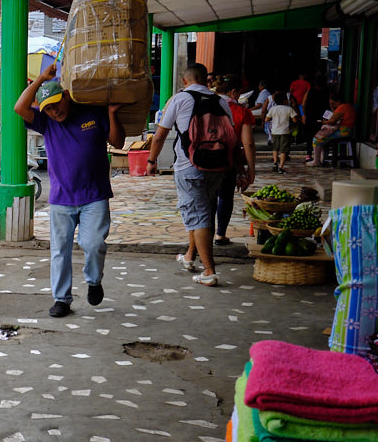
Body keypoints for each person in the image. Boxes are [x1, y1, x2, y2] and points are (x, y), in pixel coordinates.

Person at [14, 63, 124, 318]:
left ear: (65, 96)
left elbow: (117, 142)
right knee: (60, 250)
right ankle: (61, 299)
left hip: (94, 195)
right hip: (62, 198)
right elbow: (20, 107)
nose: (54, 111)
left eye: (56, 104)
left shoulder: (92, 113)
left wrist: (113, 114)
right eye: (48, 108)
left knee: (93, 243)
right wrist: (41, 78)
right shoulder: (45, 122)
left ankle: (94, 281)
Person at [146, 63, 233, 287]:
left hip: (190, 165)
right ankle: (189, 256)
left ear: (185, 81)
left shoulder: (179, 99)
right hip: (218, 166)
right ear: (206, 81)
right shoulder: (222, 102)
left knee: (198, 214)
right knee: (204, 211)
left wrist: (151, 160)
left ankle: (210, 271)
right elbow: (232, 137)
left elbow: (159, 135)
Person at [213, 76, 256, 246]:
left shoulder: (206, 106)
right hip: (227, 160)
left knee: (206, 199)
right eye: (239, 93)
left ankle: (200, 237)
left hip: (201, 159)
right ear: (233, 92)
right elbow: (248, 143)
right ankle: (220, 234)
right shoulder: (241, 111)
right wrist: (250, 169)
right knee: (225, 197)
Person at [307, 89, 356, 166]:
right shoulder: (347, 106)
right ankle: (320, 159)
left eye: (332, 102)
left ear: (337, 101)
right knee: (322, 139)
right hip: (348, 131)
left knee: (317, 138)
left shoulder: (342, 107)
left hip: (343, 131)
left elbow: (331, 121)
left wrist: (323, 122)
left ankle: (316, 161)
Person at [267, 92, 297, 174]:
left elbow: (267, 119)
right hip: (285, 132)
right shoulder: (289, 109)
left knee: (275, 148)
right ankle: (280, 167)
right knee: (283, 150)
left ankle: (275, 163)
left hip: (275, 131)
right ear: (284, 100)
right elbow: (295, 120)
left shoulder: (272, 109)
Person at [301, 74, 329, 160]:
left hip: (310, 116)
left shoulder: (310, 91)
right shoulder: (327, 91)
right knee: (321, 136)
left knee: (309, 136)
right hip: (322, 117)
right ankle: (322, 156)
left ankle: (309, 155)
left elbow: (304, 103)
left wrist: (304, 114)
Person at [253, 80, 272, 146]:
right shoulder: (264, 92)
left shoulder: (264, 93)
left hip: (262, 110)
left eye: (259, 85)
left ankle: (252, 126)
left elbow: (259, 105)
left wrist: (249, 109)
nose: (259, 87)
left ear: (262, 86)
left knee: (248, 113)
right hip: (263, 109)